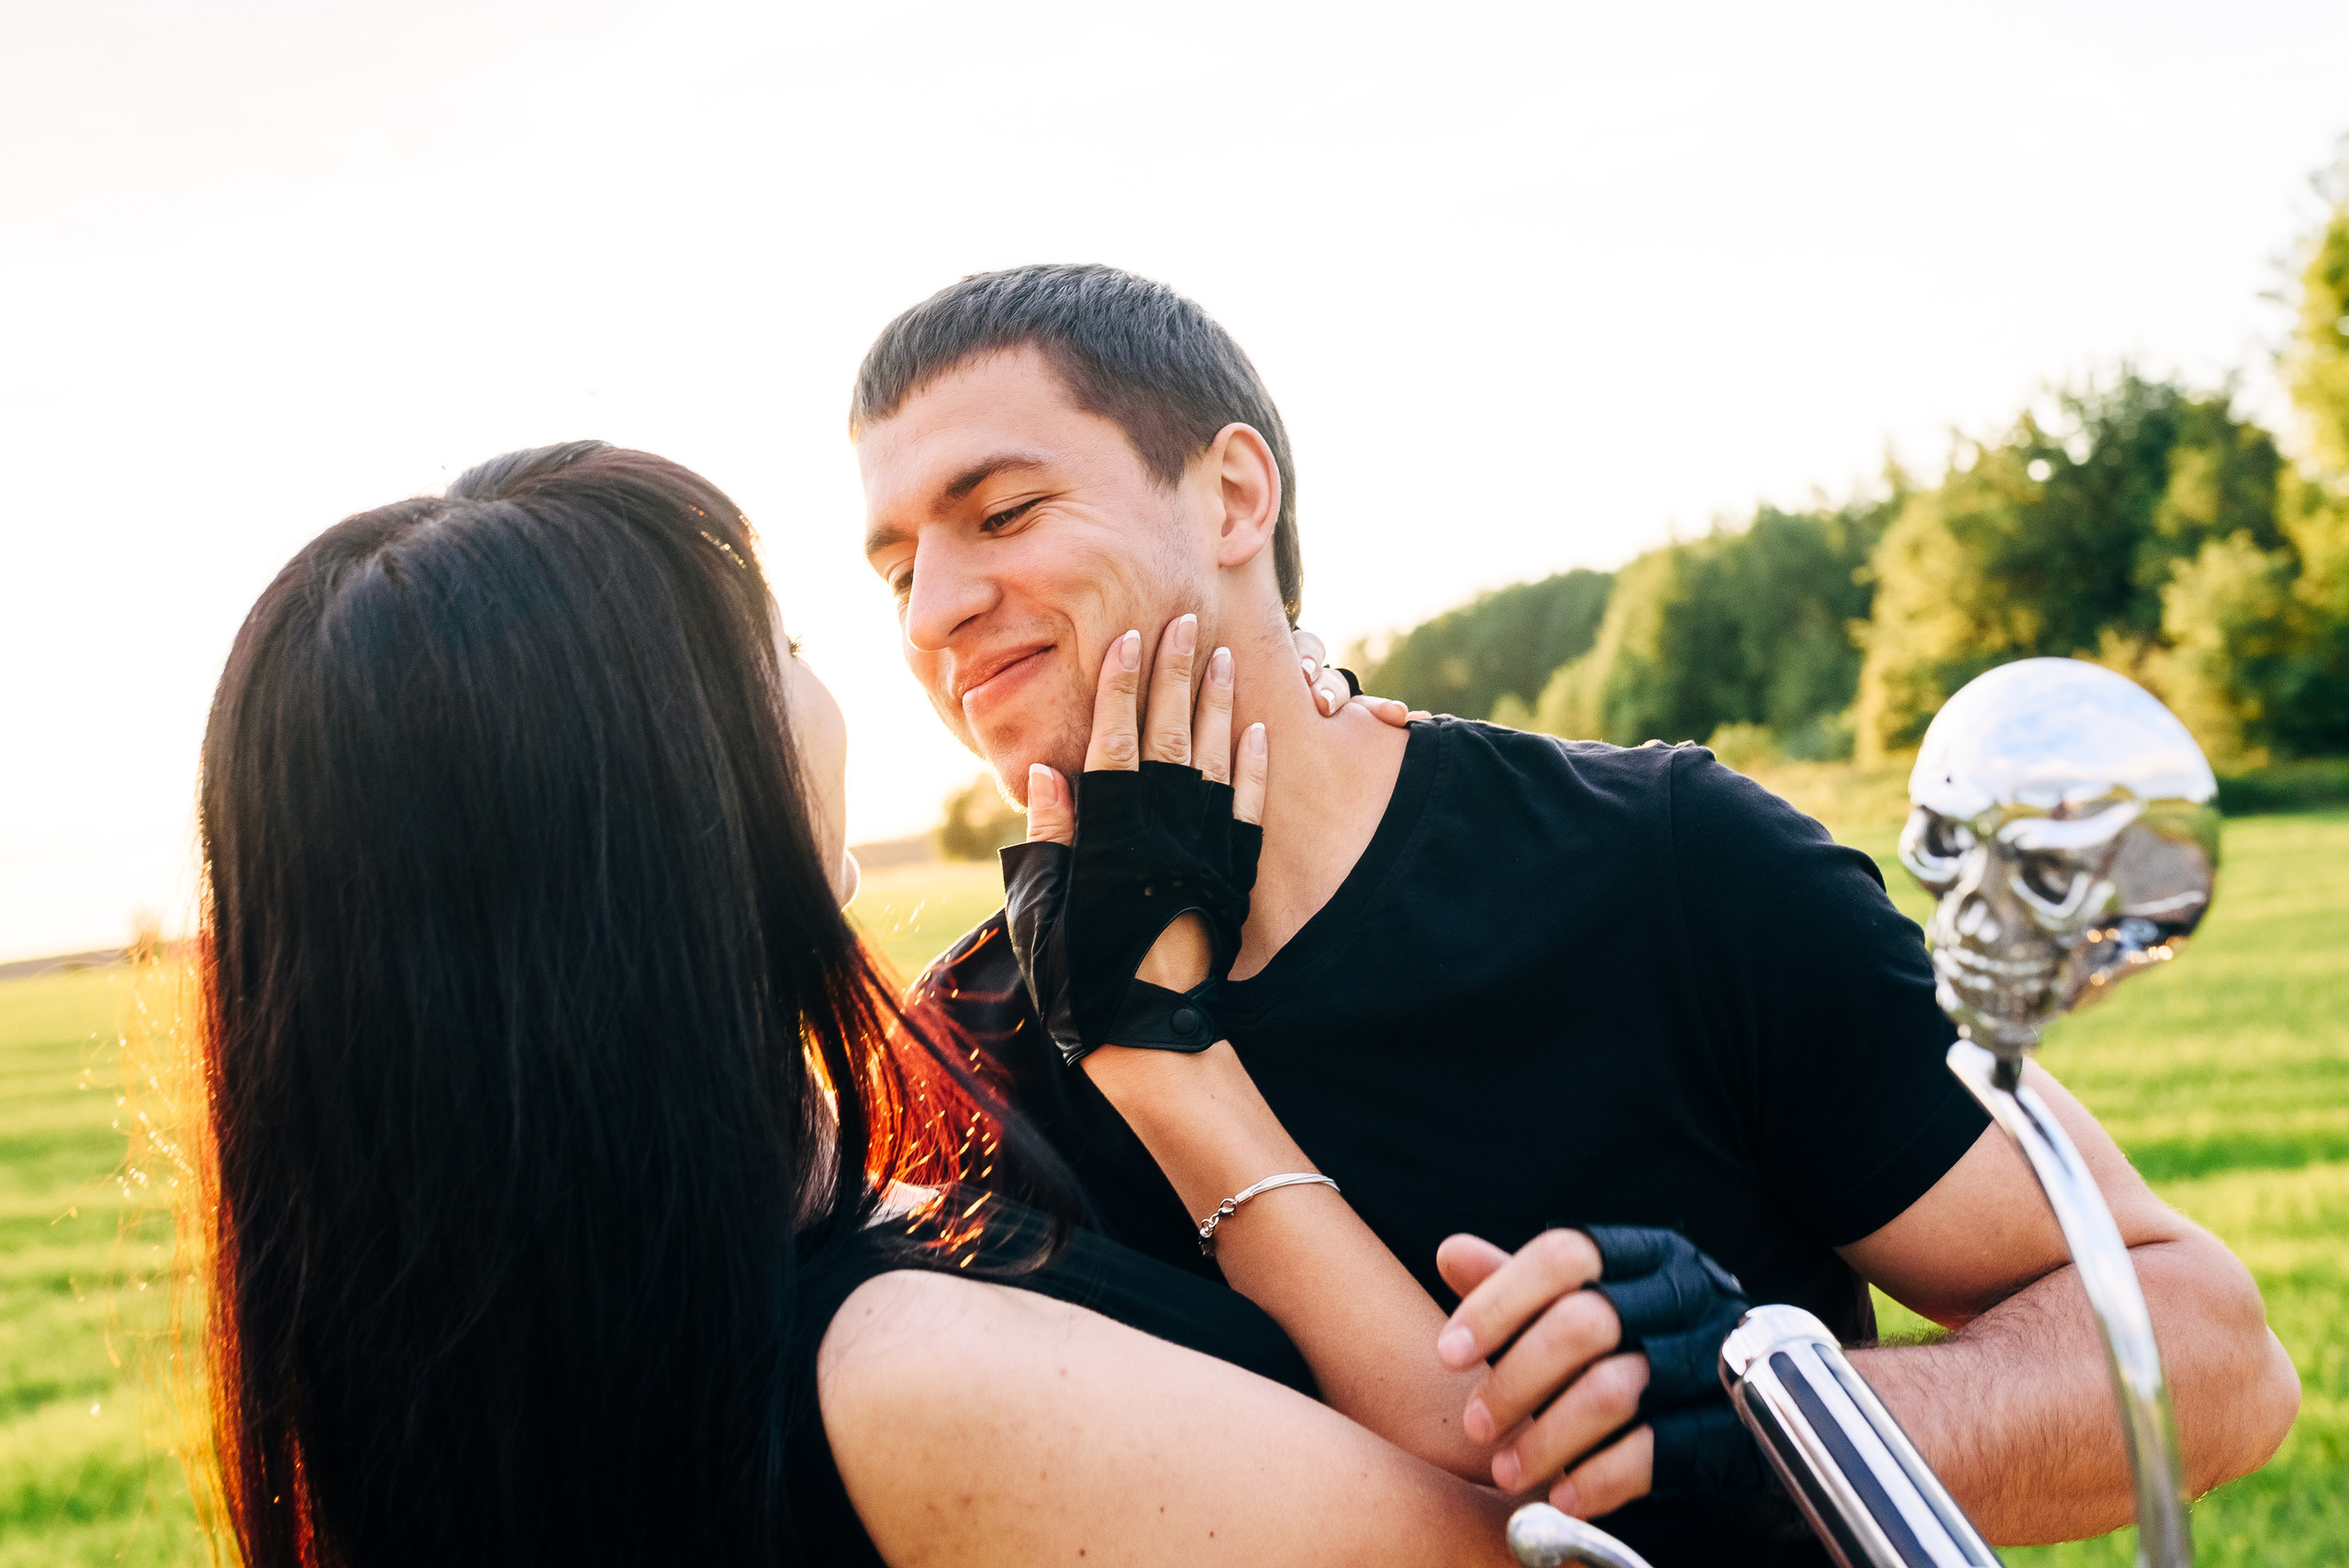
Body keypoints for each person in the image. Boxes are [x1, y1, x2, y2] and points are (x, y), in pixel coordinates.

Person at [852, 263, 2302, 1561]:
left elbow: (2214, 1357)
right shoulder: (957, 1053)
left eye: (1005, 512)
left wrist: (1782, 1428)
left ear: (1234, 496)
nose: (933, 615)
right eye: (902, 569)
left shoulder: (1666, 865)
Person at [189, 439, 1582, 1568]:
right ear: (671, 799)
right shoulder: (922, 1387)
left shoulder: (525, 1344)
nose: (909, 636)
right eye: (783, 642)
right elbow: (1544, 1547)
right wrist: (1168, 1061)